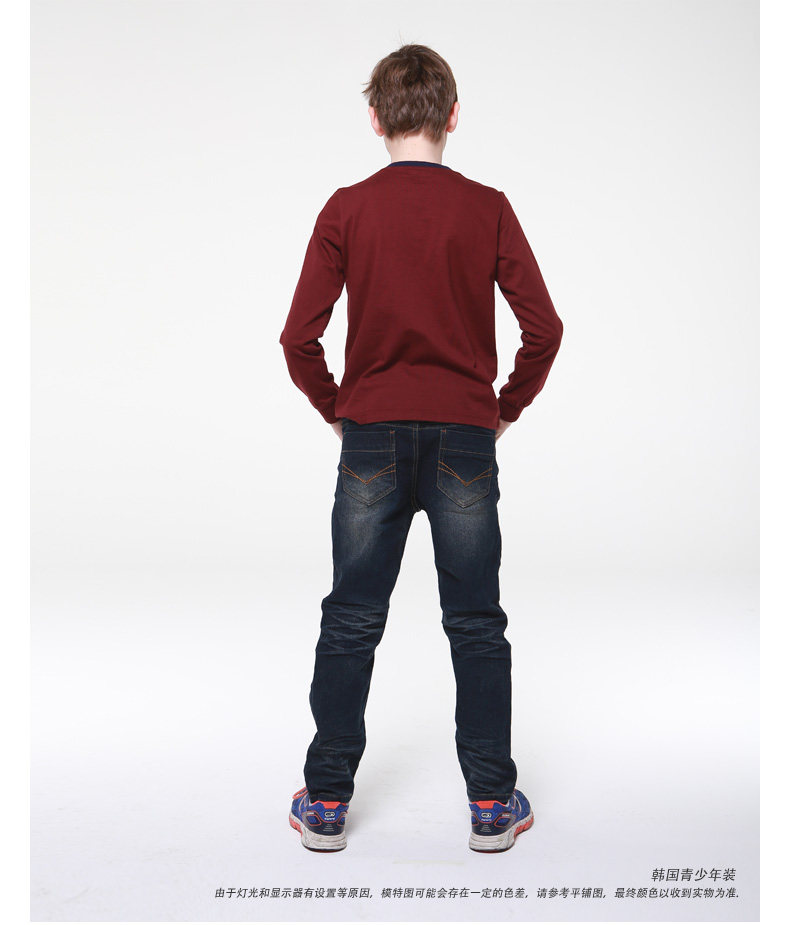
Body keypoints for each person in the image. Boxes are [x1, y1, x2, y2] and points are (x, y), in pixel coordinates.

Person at [279, 43, 563, 853]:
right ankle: (491, 802)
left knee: (351, 618)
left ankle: (326, 802)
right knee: (476, 622)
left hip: (371, 436)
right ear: (453, 115)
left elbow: (298, 337)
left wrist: (340, 410)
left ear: (375, 118)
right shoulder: (488, 209)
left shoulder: (347, 209)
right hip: (465, 439)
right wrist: (501, 409)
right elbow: (544, 329)